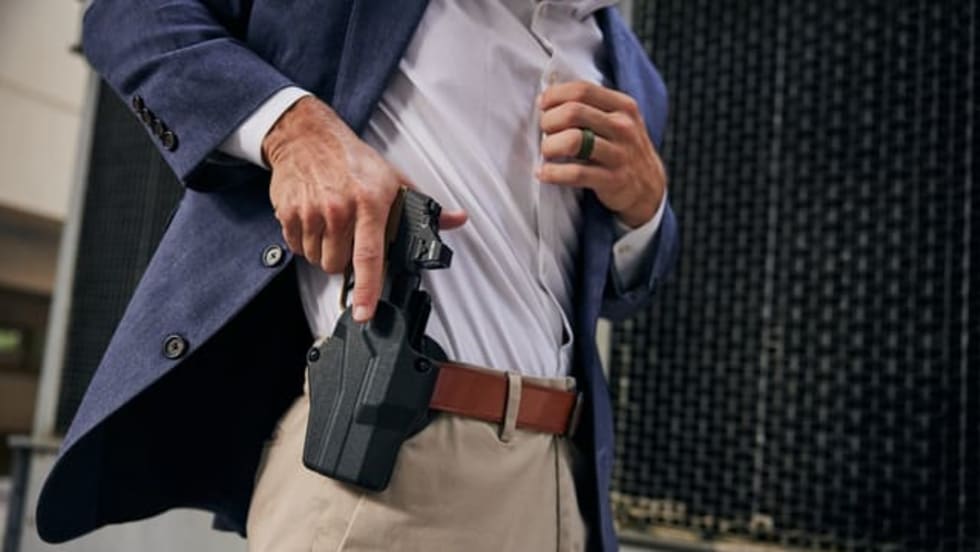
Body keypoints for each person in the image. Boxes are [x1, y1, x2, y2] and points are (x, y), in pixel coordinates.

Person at [36, 1, 678, 551]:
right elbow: (129, 15)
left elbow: (612, 294)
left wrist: (647, 210)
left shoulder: (632, 71)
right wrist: (292, 133)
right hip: (387, 462)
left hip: (563, 486)